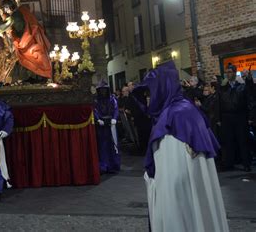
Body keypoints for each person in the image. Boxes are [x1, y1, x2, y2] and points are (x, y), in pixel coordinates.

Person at [137, 61, 228, 231]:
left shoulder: (179, 114)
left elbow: (177, 176)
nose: (148, 99)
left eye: (151, 92)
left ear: (162, 89)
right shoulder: (174, 111)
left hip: (180, 197)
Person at [0, 0, 52, 79]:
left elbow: (7, 24)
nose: (2, 13)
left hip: (25, 40)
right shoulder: (18, 12)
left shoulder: (14, 16)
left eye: (2, 10)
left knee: (29, 60)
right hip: (25, 38)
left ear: (6, 8)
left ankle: (38, 76)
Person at [218, 64, 253, 172]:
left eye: (229, 72)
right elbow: (219, 103)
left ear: (234, 72)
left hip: (240, 116)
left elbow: (250, 99)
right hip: (227, 117)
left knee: (242, 140)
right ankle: (229, 163)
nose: (228, 74)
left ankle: (246, 163)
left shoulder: (241, 86)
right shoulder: (224, 87)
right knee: (229, 141)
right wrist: (219, 119)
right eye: (226, 72)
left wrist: (250, 117)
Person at [93, 81, 120, 173]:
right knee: (102, 145)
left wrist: (115, 118)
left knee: (112, 144)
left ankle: (113, 164)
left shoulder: (112, 99)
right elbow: (95, 110)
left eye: (105, 90)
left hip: (111, 124)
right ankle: (103, 165)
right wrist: (98, 119)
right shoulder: (96, 100)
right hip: (101, 126)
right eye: (101, 90)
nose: (103, 92)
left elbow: (116, 109)